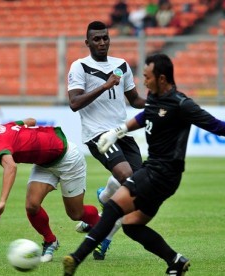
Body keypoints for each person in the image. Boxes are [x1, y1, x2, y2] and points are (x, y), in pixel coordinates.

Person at [62, 53, 225, 275]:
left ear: (162, 78)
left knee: (112, 207)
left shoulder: (182, 105)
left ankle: (76, 258)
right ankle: (175, 261)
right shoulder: (154, 98)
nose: (144, 81)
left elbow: (216, 126)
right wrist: (117, 132)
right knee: (131, 225)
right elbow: (143, 117)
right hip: (158, 174)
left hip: (162, 174)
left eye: (147, 77)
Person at [0, 119, 101, 263]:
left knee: (75, 213)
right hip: (44, 163)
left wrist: (2, 200)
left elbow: (11, 167)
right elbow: (30, 120)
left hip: (68, 158)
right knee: (32, 206)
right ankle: (50, 240)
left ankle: (101, 223)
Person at [67, 21, 146, 260]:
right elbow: (74, 103)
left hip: (122, 133)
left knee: (140, 188)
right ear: (88, 42)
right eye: (96, 39)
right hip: (98, 135)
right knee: (128, 180)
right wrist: (105, 85)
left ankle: (104, 197)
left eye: (105, 38)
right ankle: (104, 237)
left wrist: (160, 102)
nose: (102, 42)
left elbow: (134, 100)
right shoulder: (79, 66)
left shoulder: (121, 65)